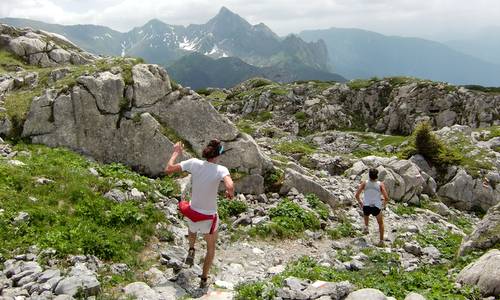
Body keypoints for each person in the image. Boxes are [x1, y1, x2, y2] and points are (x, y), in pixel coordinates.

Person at [165, 139, 234, 288]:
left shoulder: (194, 163)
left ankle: (191, 248)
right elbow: (230, 184)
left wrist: (176, 152)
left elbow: (169, 169)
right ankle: (203, 279)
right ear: (219, 154)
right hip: (209, 217)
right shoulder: (221, 169)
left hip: (193, 211)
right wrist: (230, 193)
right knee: (211, 247)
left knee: (192, 224)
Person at [354, 168, 389, 246]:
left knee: (366, 213)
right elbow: (386, 198)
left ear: (369, 175)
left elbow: (356, 195)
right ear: (377, 176)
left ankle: (366, 227)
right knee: (380, 223)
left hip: (366, 206)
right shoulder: (380, 184)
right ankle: (381, 241)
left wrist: (360, 202)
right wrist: (383, 205)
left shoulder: (364, 183)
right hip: (376, 207)